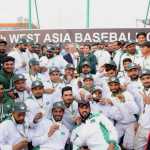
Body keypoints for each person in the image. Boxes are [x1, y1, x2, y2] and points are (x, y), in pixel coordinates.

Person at [107, 77, 139, 149]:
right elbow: (111, 113)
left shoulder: (127, 94)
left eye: (115, 85)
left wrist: (124, 101)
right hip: (119, 123)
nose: (113, 87)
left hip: (130, 123)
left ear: (119, 85)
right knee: (112, 141)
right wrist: (112, 105)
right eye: (111, 85)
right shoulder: (108, 96)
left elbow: (136, 110)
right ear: (108, 86)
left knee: (129, 146)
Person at [134, 69, 150, 150]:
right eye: (143, 79)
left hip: (149, 129)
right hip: (142, 125)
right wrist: (139, 122)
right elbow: (142, 110)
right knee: (136, 147)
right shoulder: (141, 91)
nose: (146, 80)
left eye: (148, 78)